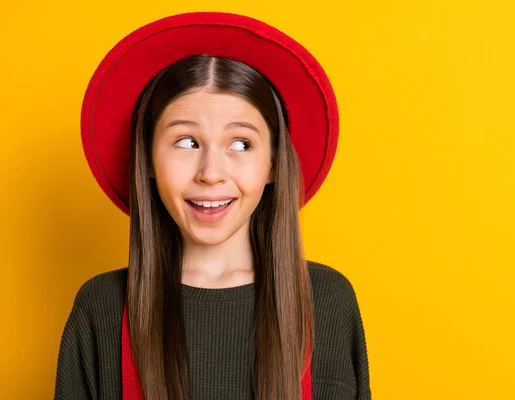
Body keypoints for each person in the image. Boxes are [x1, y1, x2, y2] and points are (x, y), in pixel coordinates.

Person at [54, 12, 371, 400]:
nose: (211, 173)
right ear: (149, 160)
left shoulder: (327, 302)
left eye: (241, 143)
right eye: (186, 142)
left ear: (273, 163)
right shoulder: (101, 309)